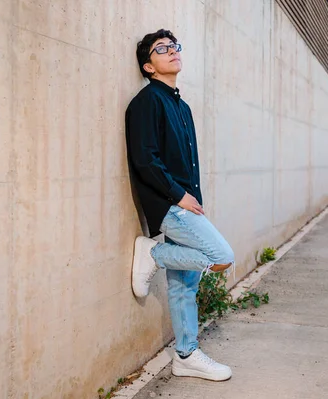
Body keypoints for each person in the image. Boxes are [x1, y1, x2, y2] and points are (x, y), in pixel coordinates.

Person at [125, 29, 235, 382]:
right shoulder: (145, 102)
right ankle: (152, 255)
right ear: (148, 65)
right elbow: (145, 159)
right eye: (162, 49)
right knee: (221, 257)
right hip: (170, 206)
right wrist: (179, 197)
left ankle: (185, 355)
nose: (172, 52)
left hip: (186, 204)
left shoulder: (181, 106)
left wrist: (193, 198)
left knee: (184, 285)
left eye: (174, 47)